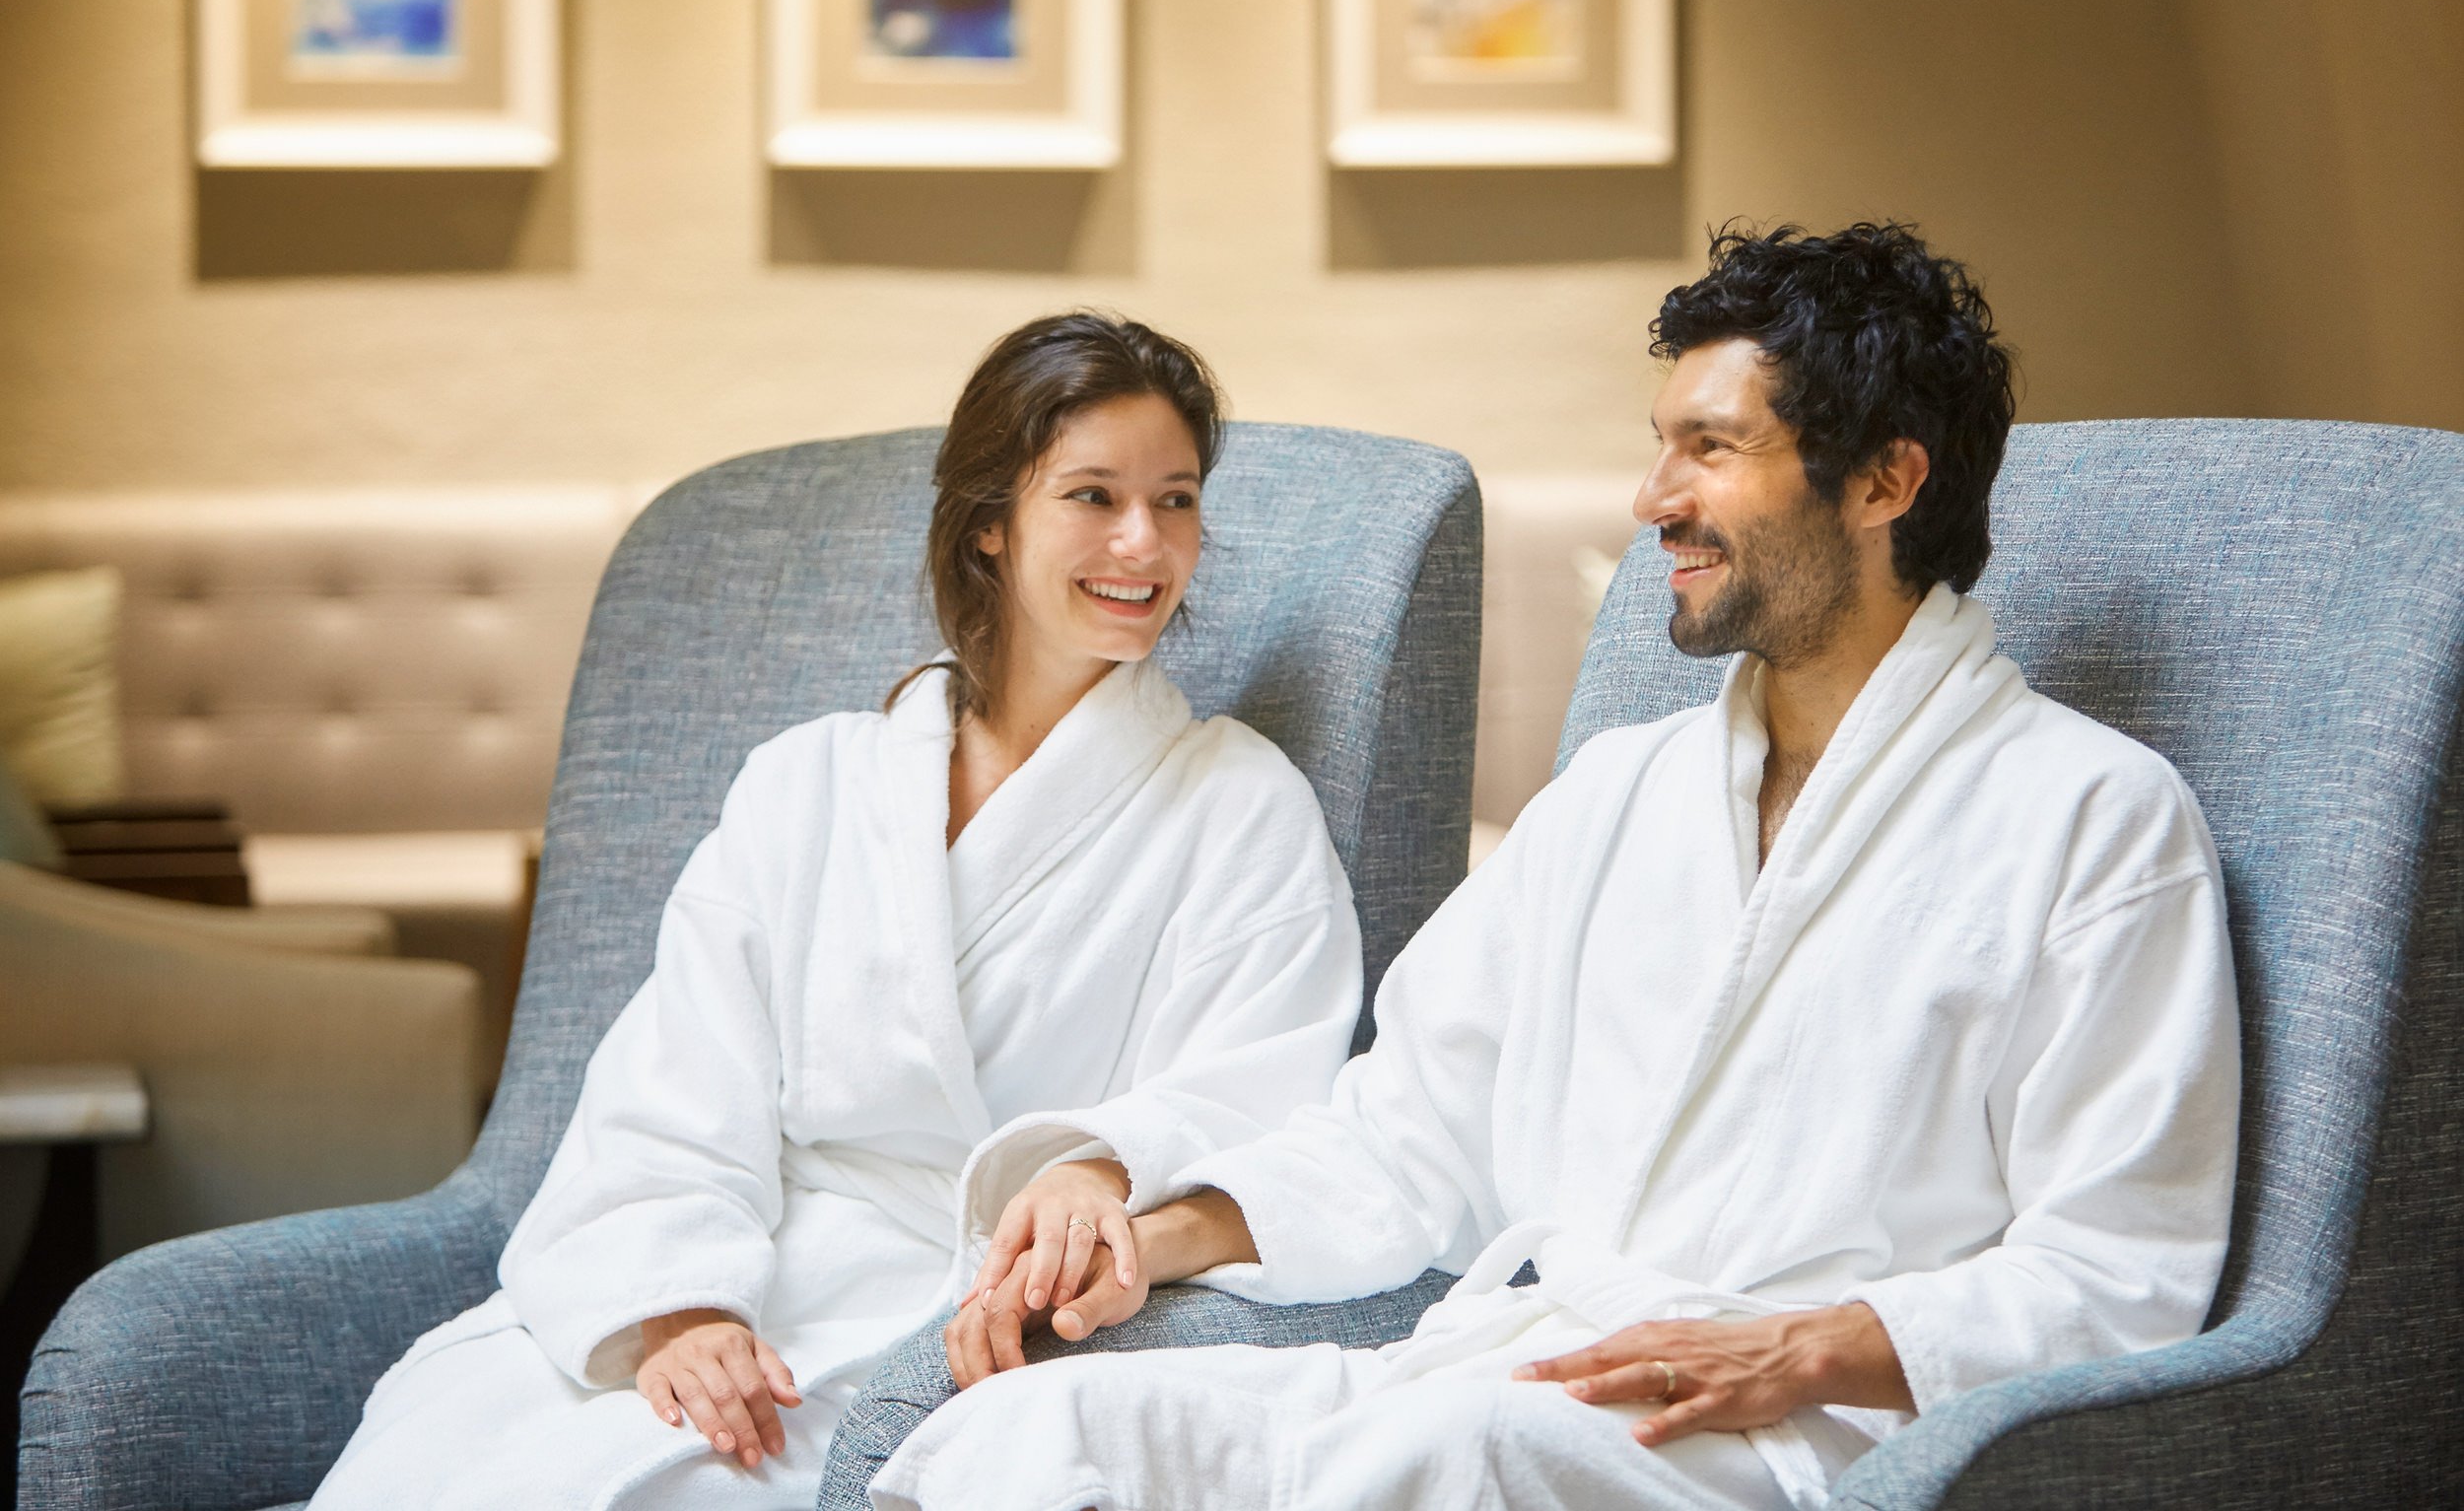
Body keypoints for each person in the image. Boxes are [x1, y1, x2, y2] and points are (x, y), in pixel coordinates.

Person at [869, 225, 2242, 1511]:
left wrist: (1807, 1350)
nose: (1654, 499)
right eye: (1661, 446)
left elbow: (2122, 1265)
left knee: (1442, 1452)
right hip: (1519, 1378)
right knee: (1032, 1428)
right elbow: (1407, 1131)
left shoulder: (2095, 819)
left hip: (1797, 1438)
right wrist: (1140, 1225)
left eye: (1711, 448)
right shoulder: (1617, 795)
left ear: (1885, 480)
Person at [309, 312, 1364, 1510]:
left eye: (1176, 500)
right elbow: (676, 1079)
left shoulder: (1238, 802)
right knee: (443, 1447)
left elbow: (1267, 1097)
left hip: (947, 1316)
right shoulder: (807, 781)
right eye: (1093, 495)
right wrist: (682, 1309)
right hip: (735, 1272)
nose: (1144, 541)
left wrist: (1104, 1171)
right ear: (988, 520)